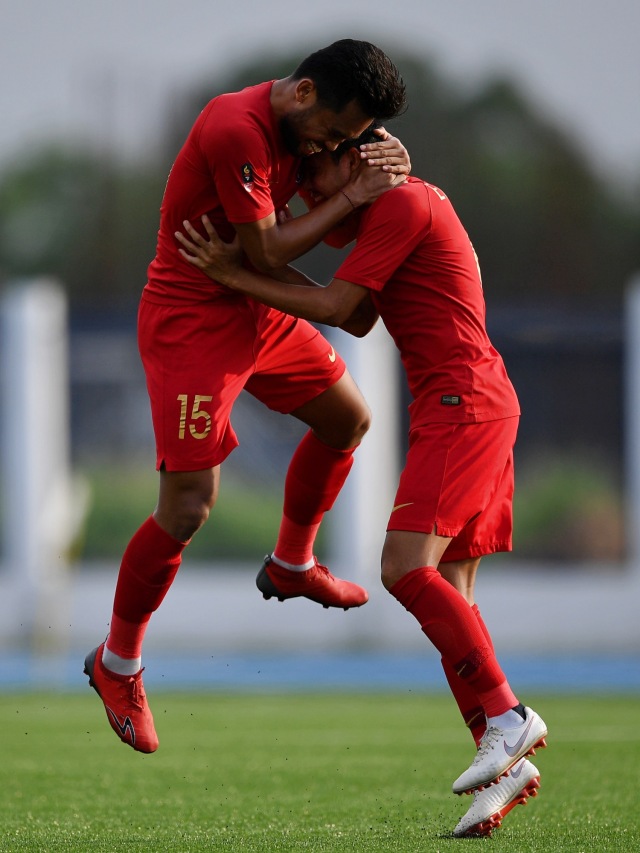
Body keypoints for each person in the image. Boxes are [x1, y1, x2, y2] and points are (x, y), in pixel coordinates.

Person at [175, 125, 549, 838]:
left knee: (403, 570)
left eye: (317, 167)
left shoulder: (403, 205)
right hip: (472, 399)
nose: (309, 188)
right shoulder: (396, 207)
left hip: (461, 405)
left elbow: (340, 310)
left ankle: (508, 717)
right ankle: (504, 761)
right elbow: (363, 306)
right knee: (455, 603)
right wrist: (263, 261)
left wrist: (234, 277)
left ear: (358, 155)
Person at [83, 40, 409, 755]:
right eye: (334, 134)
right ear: (300, 95)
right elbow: (263, 252)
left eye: (350, 139)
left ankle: (292, 562)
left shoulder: (319, 121)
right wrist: (355, 192)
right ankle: (117, 663)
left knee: (348, 419)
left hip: (254, 309)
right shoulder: (237, 126)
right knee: (189, 506)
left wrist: (385, 161)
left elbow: (287, 239)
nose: (335, 148)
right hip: (194, 321)